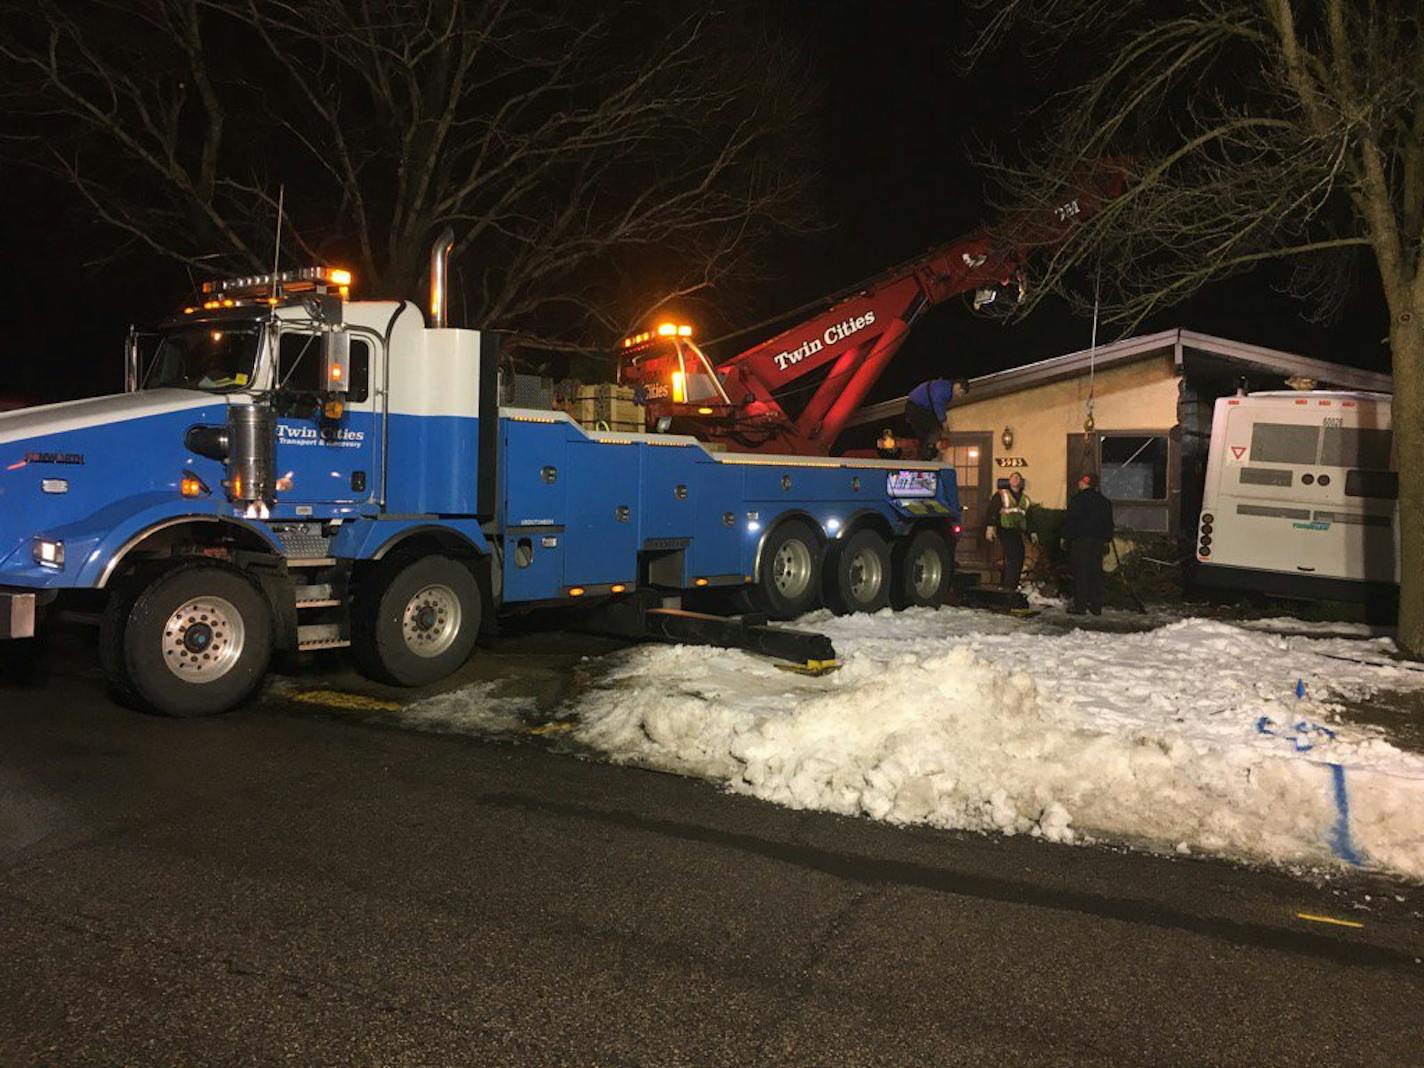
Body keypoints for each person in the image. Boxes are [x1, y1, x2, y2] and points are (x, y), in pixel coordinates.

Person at [1062, 472, 1115, 615]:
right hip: (1098, 541)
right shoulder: (1104, 501)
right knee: (1096, 572)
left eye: (1081, 481)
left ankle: (1080, 606)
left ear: (1085, 483)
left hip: (1081, 541)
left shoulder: (1077, 500)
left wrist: (1066, 537)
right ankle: (1096, 606)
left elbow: (1071, 521)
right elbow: (1109, 524)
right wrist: (1107, 539)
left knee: (1081, 573)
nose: (1079, 483)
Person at [984, 470, 1031, 590]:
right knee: (1013, 556)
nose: (1015, 480)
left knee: (1019, 556)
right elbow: (992, 510)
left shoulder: (1024, 499)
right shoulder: (1001, 494)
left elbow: (1028, 516)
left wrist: (1032, 532)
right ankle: (1008, 586)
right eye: (1013, 477)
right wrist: (990, 526)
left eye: (1018, 478)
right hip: (1004, 528)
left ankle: (1012, 584)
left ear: (1021, 482)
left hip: (1016, 530)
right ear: (1009, 481)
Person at [905, 378, 967, 460]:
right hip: (916, 408)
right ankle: (925, 455)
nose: (960, 396)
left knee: (933, 428)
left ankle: (928, 451)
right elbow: (938, 405)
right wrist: (944, 422)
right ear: (957, 386)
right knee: (931, 430)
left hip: (920, 408)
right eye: (961, 393)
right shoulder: (944, 389)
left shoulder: (946, 388)